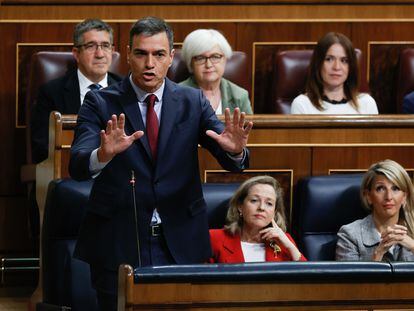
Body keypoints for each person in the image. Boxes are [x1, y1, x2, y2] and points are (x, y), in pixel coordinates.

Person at [69, 16, 253, 310]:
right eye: (141, 54)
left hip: (180, 238)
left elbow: (231, 158)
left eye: (158, 54)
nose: (149, 63)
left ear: (171, 58)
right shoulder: (100, 102)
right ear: (127, 55)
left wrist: (234, 151)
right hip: (118, 241)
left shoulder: (192, 101)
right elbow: (78, 166)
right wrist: (103, 155)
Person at [30, 18, 122, 164]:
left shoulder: (126, 89)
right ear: (76, 53)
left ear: (112, 50)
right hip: (72, 172)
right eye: (91, 46)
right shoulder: (51, 92)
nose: (100, 54)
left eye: (105, 46)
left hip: (119, 173)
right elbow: (42, 148)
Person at [209, 176, 306, 263]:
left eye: (269, 203)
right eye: (254, 200)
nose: (262, 208)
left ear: (274, 212)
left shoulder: (284, 241)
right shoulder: (214, 238)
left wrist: (291, 247)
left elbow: (307, 279)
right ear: (240, 206)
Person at [336, 159, 414, 261]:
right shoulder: (350, 235)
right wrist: (378, 254)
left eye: (395, 188)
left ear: (404, 197)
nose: (389, 197)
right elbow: (348, 277)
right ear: (368, 196)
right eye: (380, 188)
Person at [290, 32, 378, 115]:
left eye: (344, 61)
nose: (336, 67)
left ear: (350, 67)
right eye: (329, 59)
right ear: (318, 63)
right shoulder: (302, 104)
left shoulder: (367, 103)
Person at [179, 29, 253, 115]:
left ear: (225, 59)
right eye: (200, 58)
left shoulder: (240, 96)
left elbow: (250, 128)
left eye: (215, 57)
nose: (208, 65)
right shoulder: (177, 95)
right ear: (190, 63)